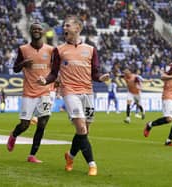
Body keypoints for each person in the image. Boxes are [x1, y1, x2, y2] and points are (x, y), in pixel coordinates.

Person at [37, 15, 109, 176]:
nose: (65, 28)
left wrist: (101, 78)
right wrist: (45, 80)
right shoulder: (59, 50)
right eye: (64, 25)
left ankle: (70, 156)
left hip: (88, 92)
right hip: (69, 92)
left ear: (78, 28)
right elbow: (53, 73)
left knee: (84, 130)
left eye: (68, 25)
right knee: (81, 127)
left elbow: (95, 73)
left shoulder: (91, 50)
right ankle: (92, 164)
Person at [6, 22, 54, 163]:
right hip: (29, 92)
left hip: (45, 91)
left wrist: (54, 81)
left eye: (39, 29)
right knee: (25, 125)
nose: (37, 31)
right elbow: (15, 69)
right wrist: (23, 64)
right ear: (30, 31)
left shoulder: (51, 50)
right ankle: (14, 135)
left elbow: (55, 70)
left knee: (42, 124)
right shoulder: (23, 49)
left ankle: (32, 155)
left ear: (43, 32)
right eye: (34, 29)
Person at [143, 49, 172, 146]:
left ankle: (168, 141)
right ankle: (149, 125)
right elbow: (162, 77)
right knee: (168, 119)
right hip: (168, 96)